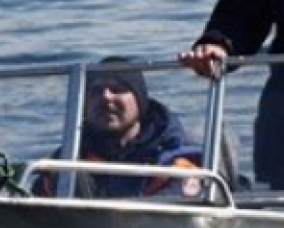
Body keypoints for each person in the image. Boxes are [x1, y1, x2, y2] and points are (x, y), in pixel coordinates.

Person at [39, 58, 202, 198]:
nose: (106, 97)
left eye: (117, 90)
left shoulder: (176, 163)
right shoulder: (64, 164)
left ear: (139, 101)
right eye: (95, 92)